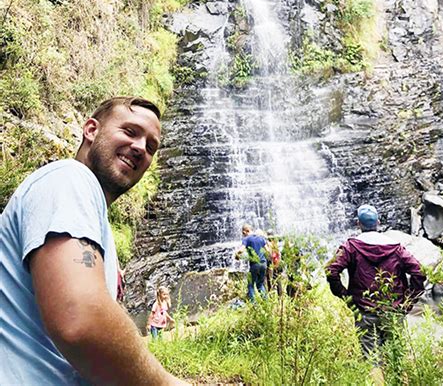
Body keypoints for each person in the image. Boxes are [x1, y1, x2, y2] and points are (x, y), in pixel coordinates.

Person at [1, 96, 189, 385]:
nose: (140, 147)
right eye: (130, 132)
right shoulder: (70, 179)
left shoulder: (93, 220)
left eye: (151, 146)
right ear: (91, 130)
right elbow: (80, 319)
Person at [326, 204, 426, 363]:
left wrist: (346, 297)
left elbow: (331, 271)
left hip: (365, 312)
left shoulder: (350, 247)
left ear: (358, 224)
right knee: (396, 359)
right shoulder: (396, 248)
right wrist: (408, 302)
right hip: (393, 311)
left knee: (372, 361)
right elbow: (419, 272)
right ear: (378, 222)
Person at [235, 223, 269, 302]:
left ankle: (254, 305)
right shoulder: (261, 238)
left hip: (255, 265)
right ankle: (266, 302)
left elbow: (241, 250)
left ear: (245, 231)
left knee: (250, 285)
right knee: (260, 284)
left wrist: (236, 255)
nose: (243, 235)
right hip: (263, 264)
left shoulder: (247, 239)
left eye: (243, 233)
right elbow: (267, 251)